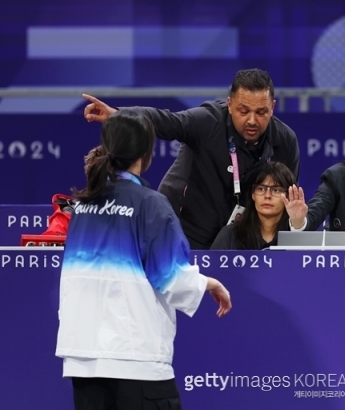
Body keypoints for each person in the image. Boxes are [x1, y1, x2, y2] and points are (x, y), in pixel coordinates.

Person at [56, 111, 232, 410]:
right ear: (146, 153)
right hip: (136, 359)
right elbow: (172, 278)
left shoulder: (82, 207)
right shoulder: (152, 204)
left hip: (84, 360)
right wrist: (209, 282)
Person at [82, 68, 300, 249]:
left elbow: (288, 201)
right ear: (230, 104)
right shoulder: (208, 121)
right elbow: (167, 121)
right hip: (183, 227)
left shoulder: (285, 140)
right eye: (244, 111)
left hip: (238, 237)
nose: (252, 120)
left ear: (272, 108)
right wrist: (118, 115)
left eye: (261, 112)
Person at [211, 162, 306, 249]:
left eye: (276, 190)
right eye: (261, 189)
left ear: (289, 195)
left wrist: (297, 223)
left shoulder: (297, 233)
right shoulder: (230, 235)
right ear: (253, 194)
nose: (267, 196)